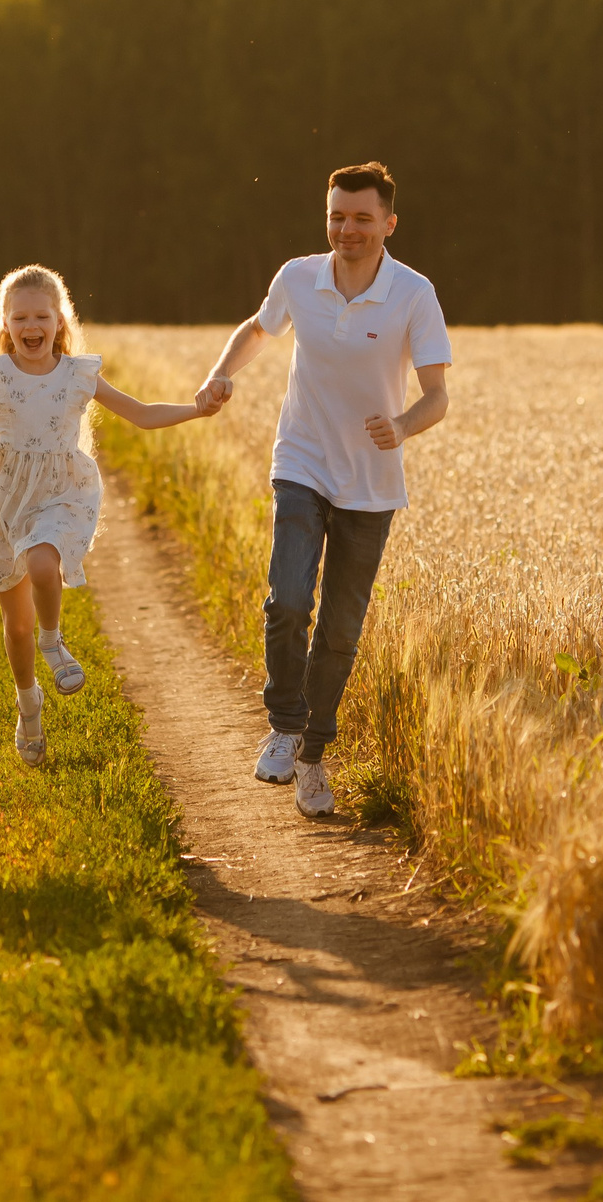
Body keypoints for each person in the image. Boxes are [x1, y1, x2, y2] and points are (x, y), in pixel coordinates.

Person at [197, 163, 452, 819]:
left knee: (339, 633)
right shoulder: (298, 277)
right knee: (287, 599)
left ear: (388, 224)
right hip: (302, 460)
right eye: (337, 216)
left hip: (370, 482)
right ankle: (285, 725)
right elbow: (259, 330)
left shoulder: (413, 294)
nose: (347, 229)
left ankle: (312, 759)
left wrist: (400, 426)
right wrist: (221, 375)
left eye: (362, 218)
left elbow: (438, 396)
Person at [0, 263, 224, 768]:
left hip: (61, 493)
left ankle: (54, 642)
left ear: (61, 321)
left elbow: (141, 413)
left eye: (42, 316)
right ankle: (28, 702)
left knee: (43, 564)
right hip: (3, 501)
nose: (31, 326)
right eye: (20, 318)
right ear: (5, 323)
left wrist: (196, 410)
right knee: (15, 627)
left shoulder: (79, 374)